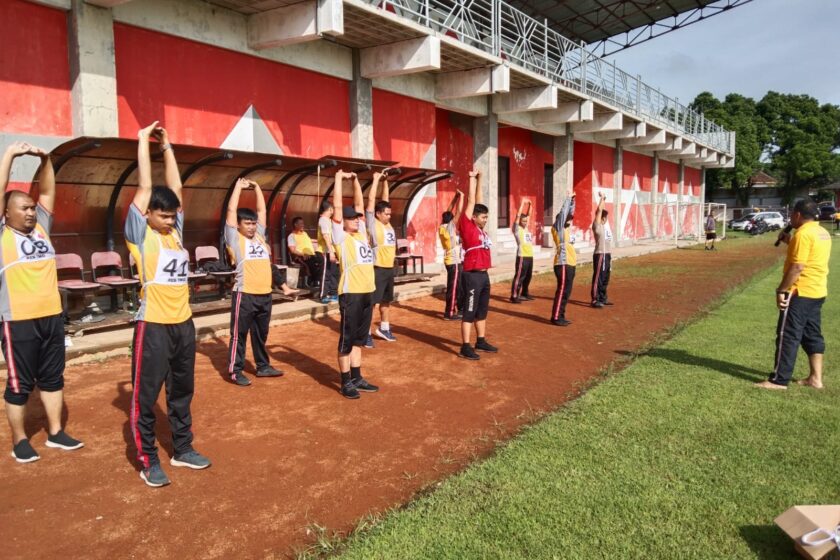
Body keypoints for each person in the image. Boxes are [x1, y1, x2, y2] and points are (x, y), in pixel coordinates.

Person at [125, 122, 211, 487]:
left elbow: (176, 189)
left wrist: (169, 148)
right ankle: (148, 460)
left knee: (181, 391)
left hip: (183, 325)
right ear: (147, 215)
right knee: (146, 398)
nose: (170, 219)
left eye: (173, 214)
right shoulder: (140, 235)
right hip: (154, 326)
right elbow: (147, 188)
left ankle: (183, 449)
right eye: (163, 214)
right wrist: (144, 142)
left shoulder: (174, 232)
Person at [0, 142, 83, 463]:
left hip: (51, 317)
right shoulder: (4, 235)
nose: (31, 211)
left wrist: (47, 159)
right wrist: (10, 155)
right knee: (20, 384)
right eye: (24, 207)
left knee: (52, 377)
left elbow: (48, 191)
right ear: (7, 212)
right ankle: (19, 439)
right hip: (17, 319)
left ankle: (55, 432)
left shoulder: (41, 230)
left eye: (33, 208)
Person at [756, 200, 831, 390]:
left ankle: (779, 380)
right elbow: (808, 255)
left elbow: (798, 267)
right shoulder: (821, 232)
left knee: (787, 335)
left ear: (797, 215)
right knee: (811, 334)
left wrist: (781, 290)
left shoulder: (803, 234)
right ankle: (815, 378)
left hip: (799, 291)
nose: (790, 218)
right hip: (817, 291)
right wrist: (789, 241)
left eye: (791, 215)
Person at [224, 178, 287, 387]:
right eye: (247, 224)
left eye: (253, 224)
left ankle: (262, 366)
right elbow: (231, 211)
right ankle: (235, 370)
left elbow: (262, 212)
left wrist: (258, 187)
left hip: (264, 294)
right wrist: (238, 188)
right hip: (245, 294)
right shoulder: (235, 238)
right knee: (239, 334)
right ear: (239, 226)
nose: (251, 227)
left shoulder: (259, 237)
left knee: (261, 334)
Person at [331, 170, 379, 399]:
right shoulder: (342, 237)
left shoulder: (361, 235)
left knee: (360, 339)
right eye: (351, 218)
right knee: (347, 340)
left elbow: (359, 203)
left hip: (367, 292)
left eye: (357, 218)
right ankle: (345, 381)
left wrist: (357, 181)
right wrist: (339, 179)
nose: (356, 220)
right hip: (351, 294)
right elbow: (338, 208)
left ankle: (357, 377)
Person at [458, 170, 498, 360]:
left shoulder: (480, 230)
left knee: (482, 311)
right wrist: (471, 179)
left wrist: (481, 179)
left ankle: (480, 340)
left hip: (483, 275)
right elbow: (472, 203)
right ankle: (465, 346)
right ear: (473, 217)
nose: (485, 220)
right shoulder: (467, 226)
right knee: (469, 311)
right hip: (472, 275)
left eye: (486, 217)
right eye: (483, 217)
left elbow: (479, 202)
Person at [367, 171, 398, 345]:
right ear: (378, 214)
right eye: (386, 214)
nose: (389, 216)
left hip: (388, 269)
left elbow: (386, 198)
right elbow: (371, 202)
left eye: (389, 213)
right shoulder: (373, 224)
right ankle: (366, 333)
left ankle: (384, 328)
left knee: (386, 302)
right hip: (377, 268)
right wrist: (376, 179)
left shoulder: (388, 224)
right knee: (373, 303)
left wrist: (386, 182)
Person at [550, 186, 576, 326]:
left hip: (570, 263)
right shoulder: (557, 227)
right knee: (562, 290)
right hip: (562, 263)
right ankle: (555, 316)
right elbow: (564, 212)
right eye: (565, 218)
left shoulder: (566, 229)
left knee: (567, 291)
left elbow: (570, 213)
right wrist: (567, 199)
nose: (568, 219)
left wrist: (573, 200)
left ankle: (561, 314)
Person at [439, 190, 464, 321]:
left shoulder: (442, 226)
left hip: (452, 261)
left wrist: (455, 198)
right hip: (453, 262)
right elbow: (458, 213)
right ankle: (449, 313)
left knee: (455, 286)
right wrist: (462, 198)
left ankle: (452, 309)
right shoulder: (448, 227)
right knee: (453, 288)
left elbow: (449, 211)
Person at [510, 199, 535, 303]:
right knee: (520, 276)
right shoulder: (517, 229)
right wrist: (522, 204)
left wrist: (530, 204)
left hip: (530, 256)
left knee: (528, 276)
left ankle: (525, 293)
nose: (525, 222)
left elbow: (529, 215)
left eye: (526, 221)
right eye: (523, 221)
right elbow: (518, 215)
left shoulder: (526, 229)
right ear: (520, 221)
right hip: (522, 256)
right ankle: (514, 295)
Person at [591, 192, 613, 308]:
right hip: (600, 254)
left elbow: (603, 211)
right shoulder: (597, 226)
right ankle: (595, 299)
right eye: (604, 217)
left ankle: (603, 298)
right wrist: (602, 198)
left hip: (607, 255)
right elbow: (599, 210)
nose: (605, 219)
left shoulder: (606, 227)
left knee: (605, 277)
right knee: (598, 278)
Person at [287, 216, 321, 289]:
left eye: (303, 223)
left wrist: (320, 240)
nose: (303, 225)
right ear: (295, 225)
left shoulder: (304, 233)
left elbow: (309, 240)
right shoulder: (291, 236)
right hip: (301, 257)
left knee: (321, 260)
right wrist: (303, 254)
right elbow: (292, 250)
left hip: (312, 255)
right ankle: (314, 281)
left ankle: (316, 280)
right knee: (314, 262)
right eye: (301, 223)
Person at [316, 200, 339, 304]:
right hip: (324, 251)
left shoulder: (328, 220)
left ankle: (333, 293)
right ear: (330, 209)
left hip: (331, 251)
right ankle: (323, 295)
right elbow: (325, 236)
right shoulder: (323, 220)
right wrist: (331, 251)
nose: (333, 211)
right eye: (332, 209)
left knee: (333, 273)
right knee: (326, 274)